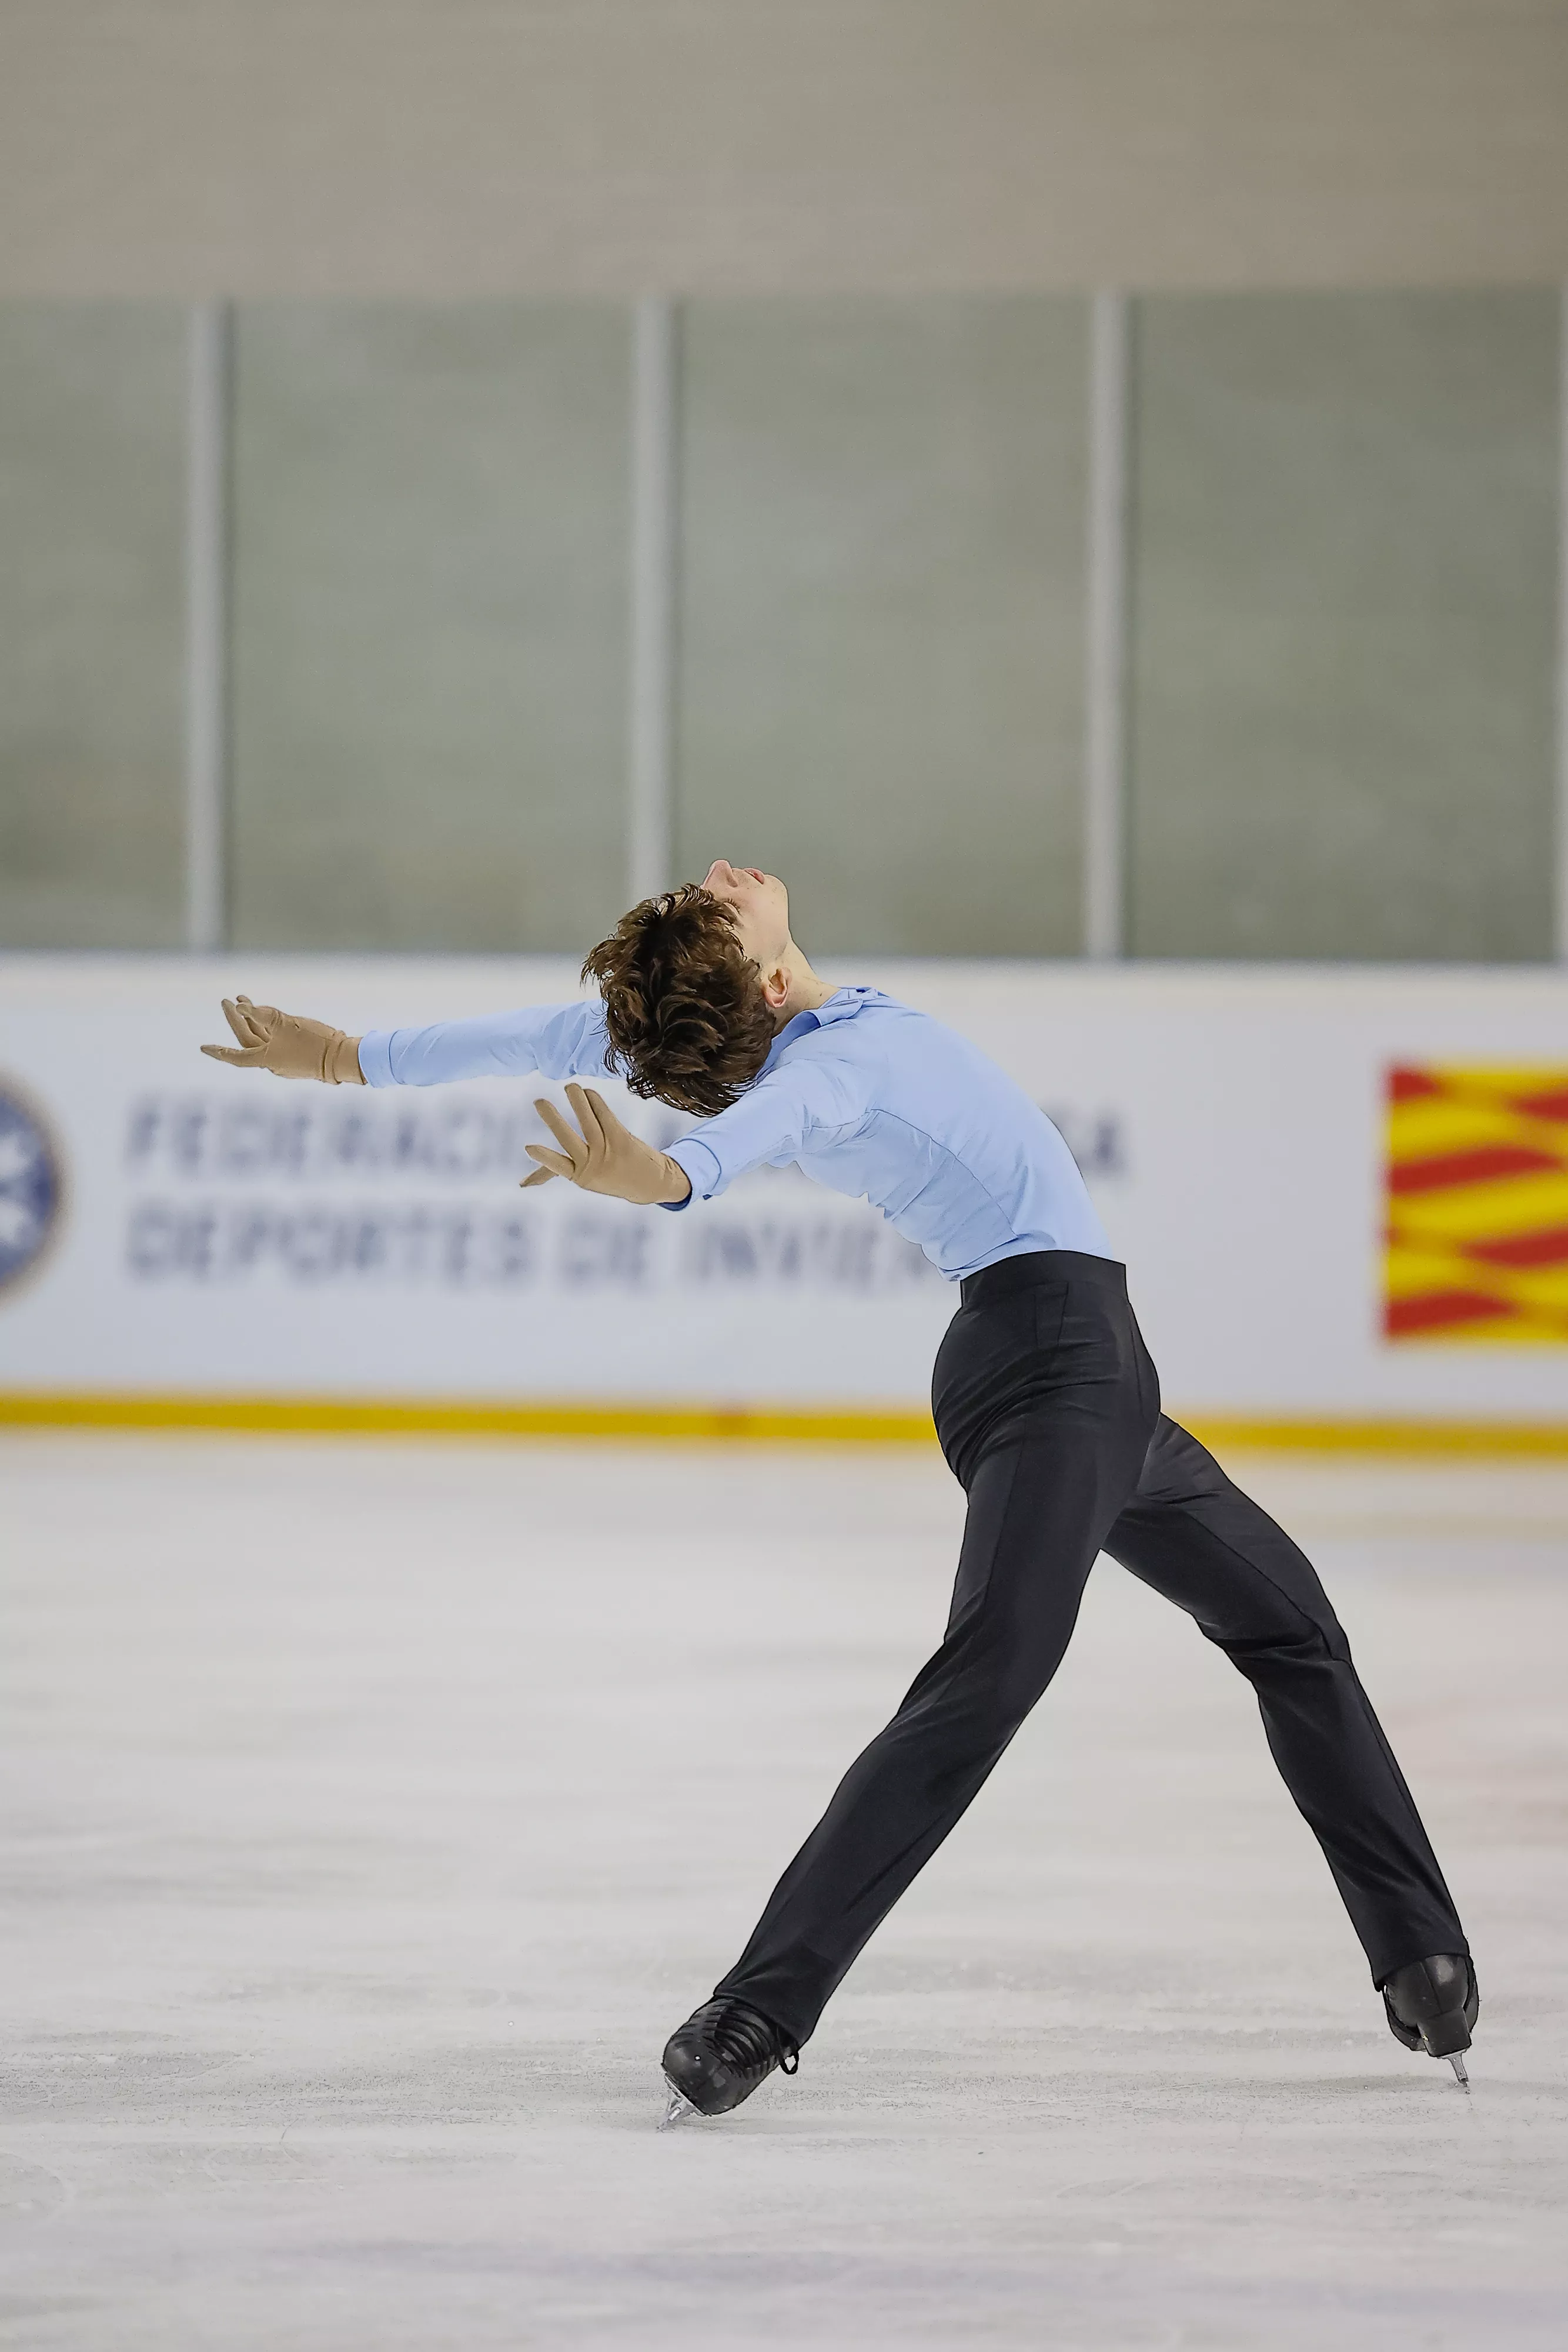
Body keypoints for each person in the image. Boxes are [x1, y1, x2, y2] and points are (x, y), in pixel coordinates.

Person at [202, 859, 1479, 2116]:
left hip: (1095, 1381)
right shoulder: (826, 1070)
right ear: (762, 977)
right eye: (714, 901)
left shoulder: (806, 1028)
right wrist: (655, 1173)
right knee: (986, 1680)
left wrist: (339, 1058)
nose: (723, 870)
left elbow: (511, 1036)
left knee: (1289, 1627)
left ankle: (1422, 1957)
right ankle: (757, 2007)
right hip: (1053, 1361)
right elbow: (719, 1153)